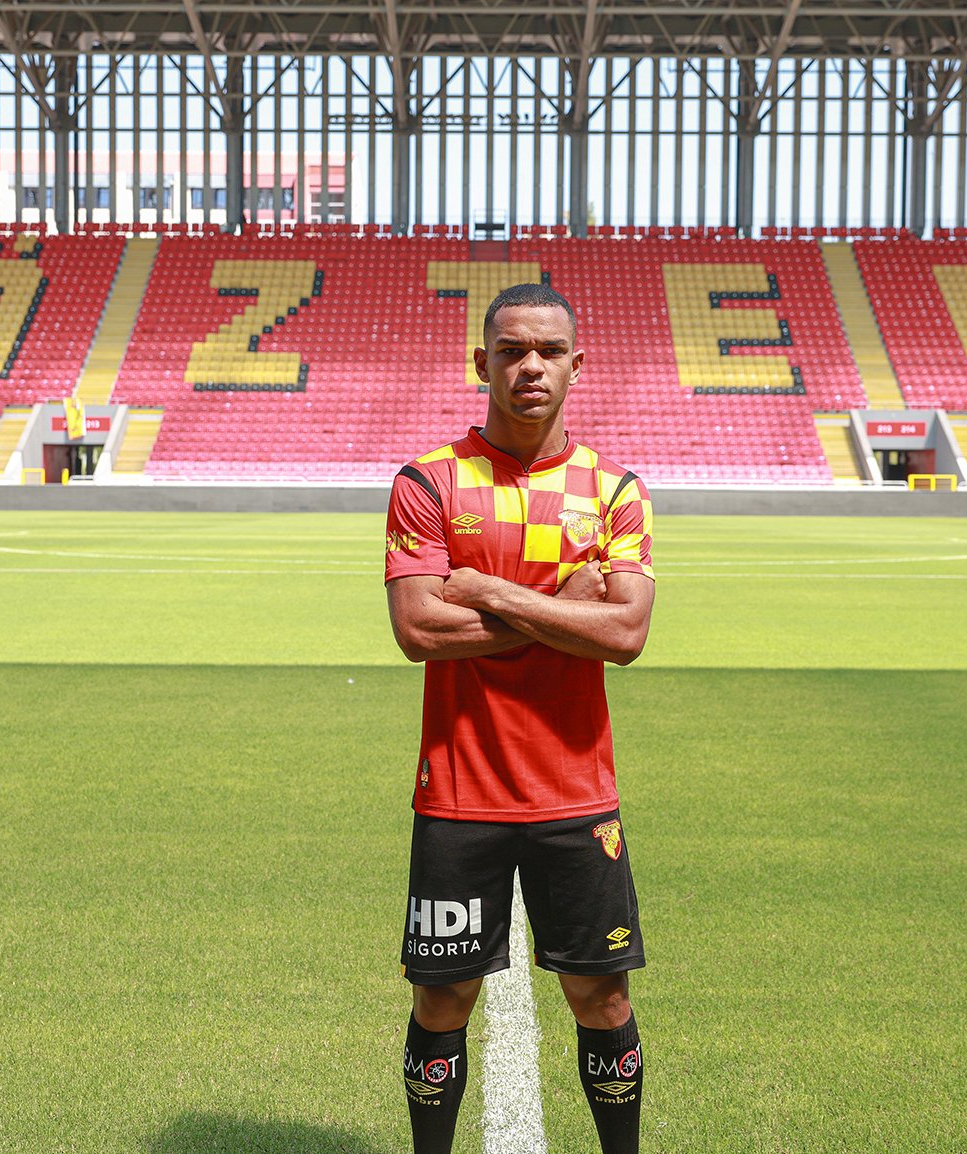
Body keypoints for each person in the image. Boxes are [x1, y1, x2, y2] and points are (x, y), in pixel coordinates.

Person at [383, 282, 656, 1154]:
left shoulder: (614, 490)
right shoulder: (428, 481)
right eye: (510, 351)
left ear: (577, 364)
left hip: (576, 792)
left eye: (548, 350)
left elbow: (625, 634)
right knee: (441, 999)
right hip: (460, 790)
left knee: (602, 1000)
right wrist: (563, 609)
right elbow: (421, 631)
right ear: (482, 363)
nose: (530, 365)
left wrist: (493, 593)